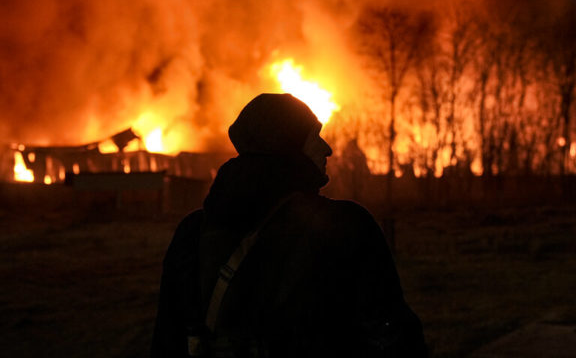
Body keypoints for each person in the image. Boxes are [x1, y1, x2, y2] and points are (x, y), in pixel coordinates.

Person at [151, 93, 427, 357]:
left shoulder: (192, 233)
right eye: (314, 136)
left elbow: (168, 342)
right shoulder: (344, 225)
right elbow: (391, 337)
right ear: (288, 146)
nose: (326, 148)